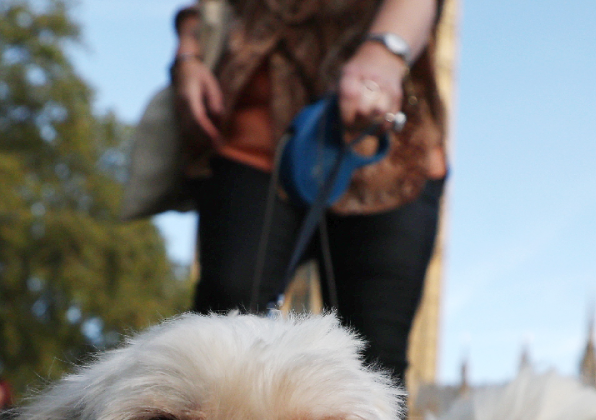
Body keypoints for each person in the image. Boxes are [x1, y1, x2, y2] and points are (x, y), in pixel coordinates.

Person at [170, 0, 446, 391]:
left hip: (387, 142)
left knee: (375, 367)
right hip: (258, 128)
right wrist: (187, 57)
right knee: (219, 332)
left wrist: (385, 51)